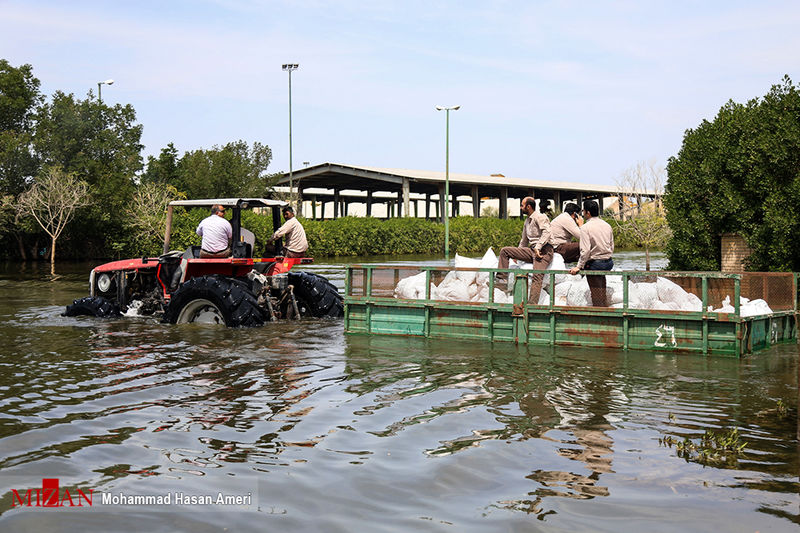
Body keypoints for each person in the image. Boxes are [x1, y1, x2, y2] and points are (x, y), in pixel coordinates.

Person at [497, 196, 554, 302]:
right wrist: (517, 253)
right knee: (505, 251)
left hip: (544, 251)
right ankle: (502, 280)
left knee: (537, 276)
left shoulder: (540, 217)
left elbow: (547, 232)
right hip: (532, 250)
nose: (520, 208)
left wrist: (538, 247)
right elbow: (524, 240)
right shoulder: (527, 221)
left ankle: (532, 305)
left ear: (528, 207)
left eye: (522, 205)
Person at [569, 200, 614, 306]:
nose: (583, 213)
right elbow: (612, 246)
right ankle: (603, 305)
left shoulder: (585, 228)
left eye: (583, 211)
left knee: (596, 293)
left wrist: (578, 266)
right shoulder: (607, 225)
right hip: (608, 263)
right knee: (601, 286)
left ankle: (599, 309)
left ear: (587, 213)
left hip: (595, 264)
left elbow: (585, 251)